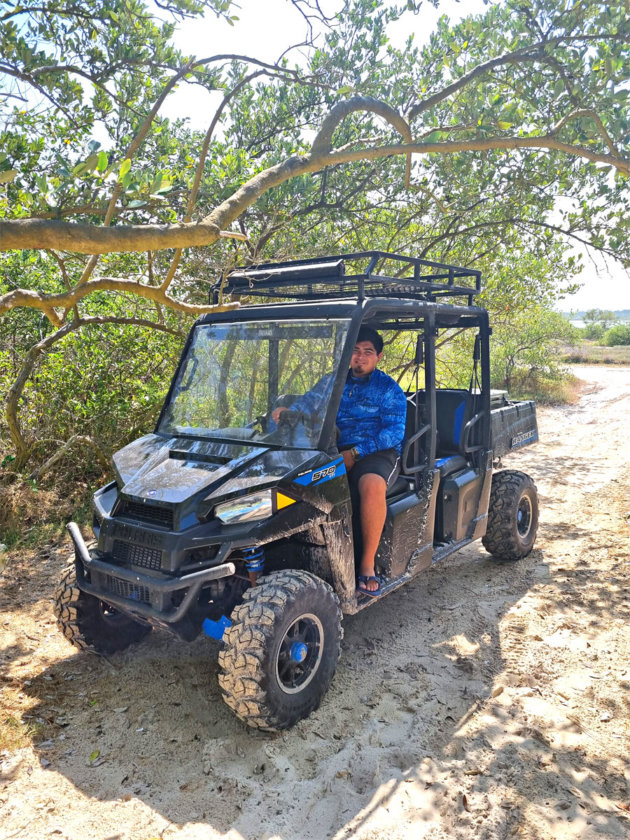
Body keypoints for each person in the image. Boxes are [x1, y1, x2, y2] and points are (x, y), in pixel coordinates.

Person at [272, 326, 407, 596]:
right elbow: (309, 403)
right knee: (292, 482)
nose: (360, 357)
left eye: (367, 352)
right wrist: (288, 411)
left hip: (375, 452)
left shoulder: (388, 390)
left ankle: (366, 565)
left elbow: (392, 434)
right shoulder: (332, 381)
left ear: (378, 357)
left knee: (370, 485)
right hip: (330, 446)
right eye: (355, 351)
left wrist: (355, 454)